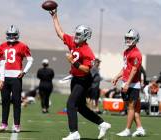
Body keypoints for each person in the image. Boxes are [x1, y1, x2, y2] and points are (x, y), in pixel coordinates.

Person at [49, 9, 111, 140]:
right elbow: (60, 33)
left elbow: (87, 70)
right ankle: (102, 123)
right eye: (75, 34)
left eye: (78, 34)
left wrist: (73, 62)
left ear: (85, 36)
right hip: (75, 78)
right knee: (81, 107)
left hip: (84, 80)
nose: (75, 36)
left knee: (71, 104)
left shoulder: (87, 51)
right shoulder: (72, 42)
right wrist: (54, 17)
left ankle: (74, 133)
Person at [0, 25, 33, 132]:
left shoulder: (23, 46)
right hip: (4, 76)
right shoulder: (2, 46)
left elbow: (30, 60)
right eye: (9, 34)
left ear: (17, 35)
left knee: (16, 101)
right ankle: (4, 124)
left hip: (16, 77)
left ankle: (16, 125)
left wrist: (24, 71)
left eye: (13, 34)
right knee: (5, 101)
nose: (11, 36)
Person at [112, 29, 145, 137]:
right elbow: (125, 67)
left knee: (131, 107)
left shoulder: (136, 53)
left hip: (133, 84)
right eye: (127, 38)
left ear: (135, 39)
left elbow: (134, 69)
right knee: (131, 108)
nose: (128, 40)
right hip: (125, 82)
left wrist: (128, 83)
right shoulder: (126, 52)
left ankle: (127, 130)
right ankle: (140, 128)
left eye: (130, 38)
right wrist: (117, 76)